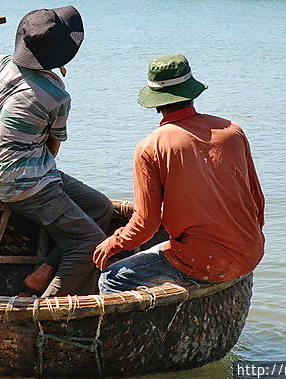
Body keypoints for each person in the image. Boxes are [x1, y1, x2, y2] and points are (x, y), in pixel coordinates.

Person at [0, 7, 113, 297]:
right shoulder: (57, 95)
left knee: (101, 208)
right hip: (29, 185)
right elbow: (53, 146)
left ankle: (45, 271)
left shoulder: (5, 67)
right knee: (89, 244)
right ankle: (47, 304)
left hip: (11, 175)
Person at [94, 54, 265, 293]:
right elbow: (256, 200)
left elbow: (146, 225)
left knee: (111, 278)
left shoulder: (150, 147)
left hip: (202, 262)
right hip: (250, 251)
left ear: (156, 101)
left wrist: (113, 243)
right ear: (191, 92)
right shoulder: (232, 131)